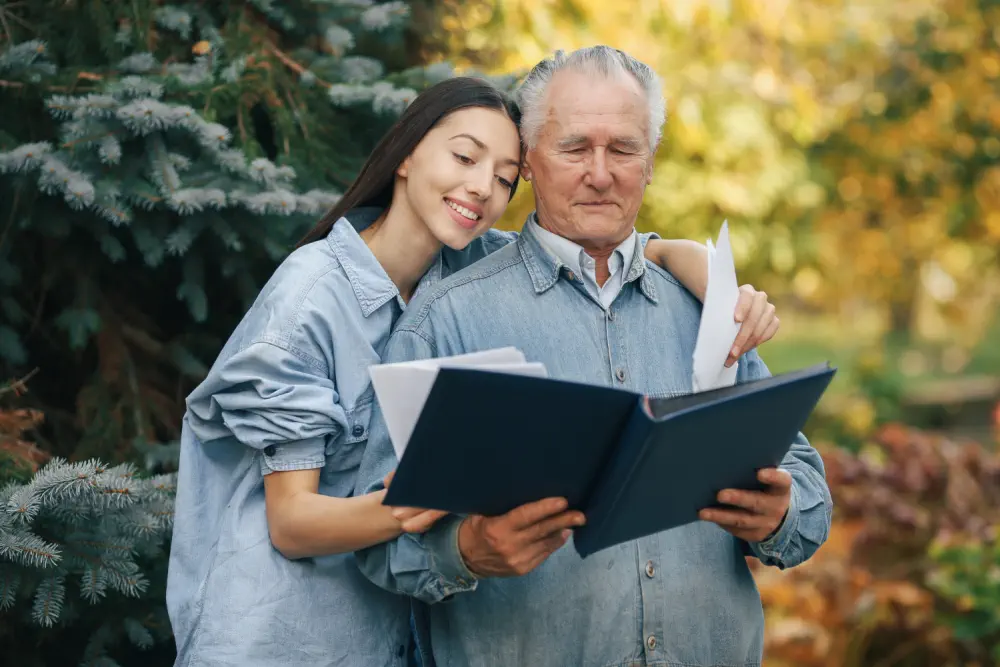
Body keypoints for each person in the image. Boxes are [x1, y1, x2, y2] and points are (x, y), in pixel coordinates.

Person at [165, 76, 781, 666]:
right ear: (405, 155)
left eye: (505, 178)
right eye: (464, 158)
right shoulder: (309, 299)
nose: (482, 188)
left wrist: (689, 260)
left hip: (382, 637)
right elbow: (292, 524)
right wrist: (431, 504)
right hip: (276, 636)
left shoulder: (462, 263)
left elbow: (597, 240)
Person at [353, 48, 833, 667]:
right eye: (576, 148)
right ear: (529, 162)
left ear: (651, 161)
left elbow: (809, 496)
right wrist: (466, 549)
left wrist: (780, 513)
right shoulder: (446, 319)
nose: (601, 174)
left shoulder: (710, 309)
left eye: (624, 149)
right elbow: (378, 543)